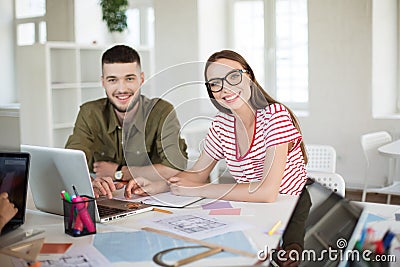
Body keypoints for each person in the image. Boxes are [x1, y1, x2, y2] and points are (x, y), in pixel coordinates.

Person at [162, 49, 308, 202]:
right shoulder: (222, 123)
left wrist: (199, 189)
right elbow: (198, 174)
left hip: (292, 211)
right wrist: (160, 185)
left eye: (234, 76)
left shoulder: (274, 115)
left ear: (249, 76)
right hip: (254, 211)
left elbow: (267, 192)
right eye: (215, 83)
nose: (226, 88)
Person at [65, 45, 187, 199]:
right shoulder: (90, 113)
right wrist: (89, 183)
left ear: (141, 79)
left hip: (152, 198)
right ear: (103, 82)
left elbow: (173, 168)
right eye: (112, 80)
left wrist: (120, 172)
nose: (122, 89)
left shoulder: (161, 111)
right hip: (106, 198)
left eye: (129, 79)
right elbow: (71, 161)